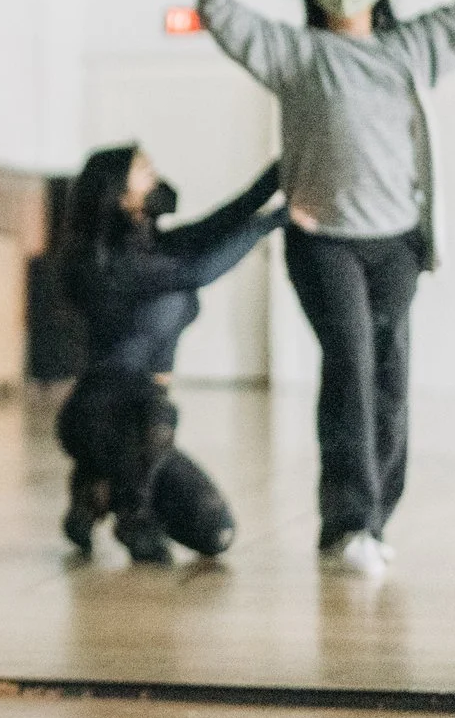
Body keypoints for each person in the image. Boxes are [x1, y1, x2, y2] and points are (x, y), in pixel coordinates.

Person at [200, 0, 455, 578]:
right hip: (323, 242)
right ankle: (348, 522)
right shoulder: (296, 55)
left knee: (389, 379)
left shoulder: (413, 48)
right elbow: (219, 12)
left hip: (397, 243)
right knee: (349, 368)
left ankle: (372, 521)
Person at [53, 147, 287, 566]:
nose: (156, 176)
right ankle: (132, 516)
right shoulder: (110, 263)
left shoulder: (152, 245)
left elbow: (216, 225)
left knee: (215, 532)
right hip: (102, 417)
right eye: (143, 171)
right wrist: (274, 221)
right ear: (119, 194)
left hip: (141, 432)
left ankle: (94, 488)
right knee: (157, 413)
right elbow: (198, 270)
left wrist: (281, 173)